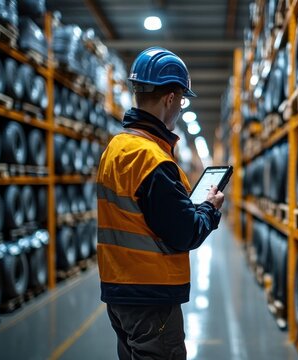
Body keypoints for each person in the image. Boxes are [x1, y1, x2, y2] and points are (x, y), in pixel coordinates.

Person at [96, 46, 224, 360]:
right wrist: (209, 208)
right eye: (181, 100)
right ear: (170, 98)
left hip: (119, 290)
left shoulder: (116, 147)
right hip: (150, 296)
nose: (181, 107)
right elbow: (184, 233)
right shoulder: (152, 159)